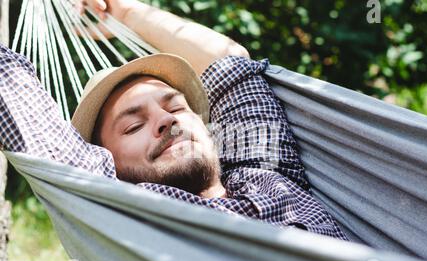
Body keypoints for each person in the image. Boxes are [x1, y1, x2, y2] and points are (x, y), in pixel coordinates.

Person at [0, 0, 348, 240]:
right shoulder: (125, 216)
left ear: (209, 128)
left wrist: (124, 11)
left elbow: (229, 64)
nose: (166, 121)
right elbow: (8, 82)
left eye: (176, 107)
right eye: (133, 126)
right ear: (108, 163)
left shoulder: (266, 171)